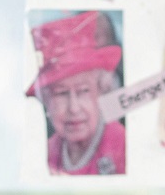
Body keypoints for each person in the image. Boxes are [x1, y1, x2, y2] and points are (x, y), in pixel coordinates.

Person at [27, 12, 126, 177]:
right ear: (46, 100)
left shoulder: (122, 145)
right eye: (61, 94)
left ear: (100, 91)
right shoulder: (44, 152)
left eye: (83, 91)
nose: (73, 108)